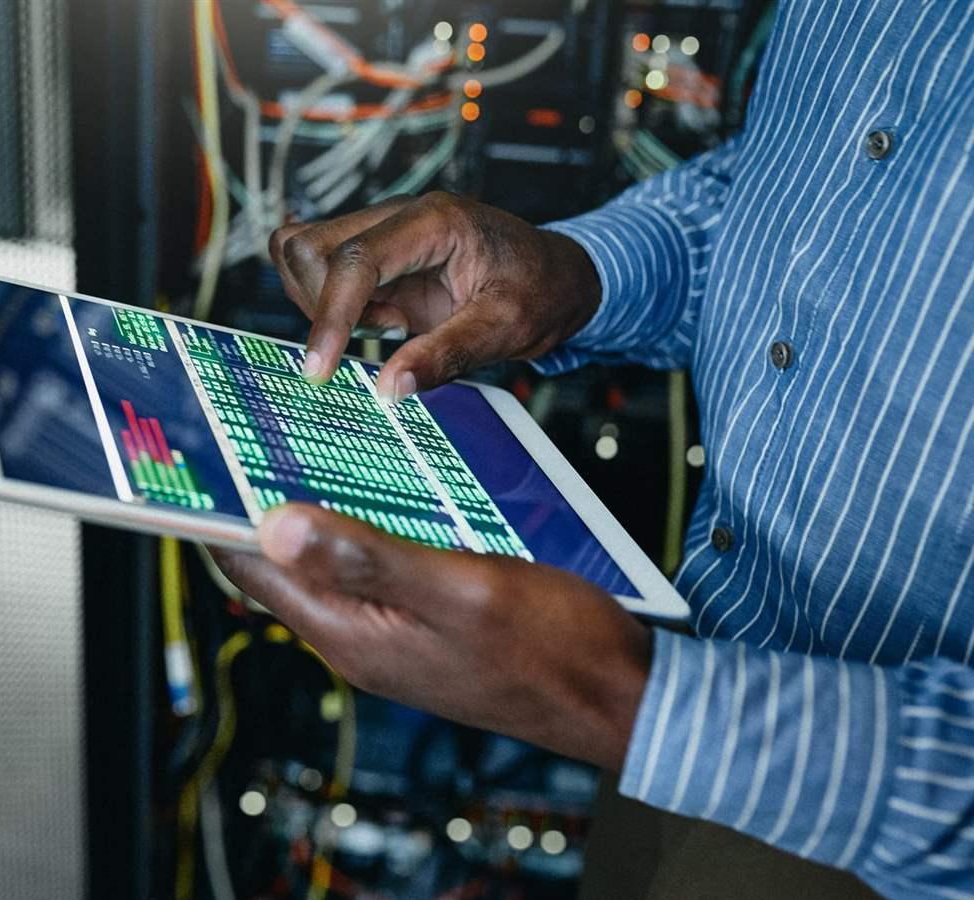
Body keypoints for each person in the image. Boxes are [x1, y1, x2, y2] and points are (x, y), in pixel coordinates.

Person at [211, 2, 974, 897]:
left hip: (871, 823)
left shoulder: (634, 697)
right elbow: (787, 187)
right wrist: (577, 274)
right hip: (687, 697)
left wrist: (627, 700)